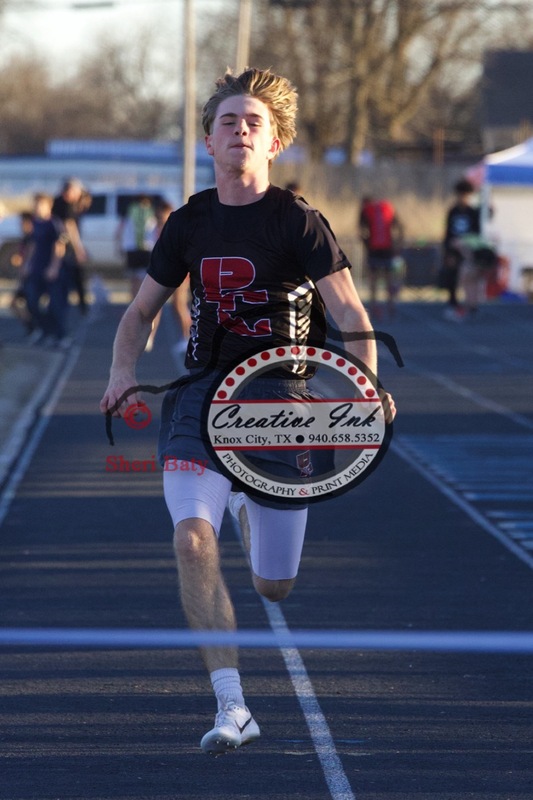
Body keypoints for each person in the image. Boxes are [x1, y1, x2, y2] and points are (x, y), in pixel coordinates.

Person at [100, 67, 396, 756]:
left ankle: (243, 502)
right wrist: (120, 370)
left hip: (281, 403)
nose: (240, 130)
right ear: (208, 140)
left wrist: (362, 386)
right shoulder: (189, 221)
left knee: (274, 585)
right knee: (190, 540)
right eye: (228, 121)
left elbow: (350, 313)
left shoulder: (296, 220)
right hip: (201, 398)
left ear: (275, 142)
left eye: (253, 122)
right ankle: (232, 706)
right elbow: (141, 311)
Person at [22, 193, 68, 346]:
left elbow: (59, 246)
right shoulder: (35, 223)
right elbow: (32, 245)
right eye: (36, 205)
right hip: (36, 268)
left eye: (40, 205)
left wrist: (54, 267)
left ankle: (60, 335)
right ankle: (44, 330)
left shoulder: (54, 223)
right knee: (32, 301)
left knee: (55, 304)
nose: (37, 208)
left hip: (50, 270)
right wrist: (27, 264)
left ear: (48, 206)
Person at [440, 177, 480, 320]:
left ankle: (471, 305)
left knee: (469, 277)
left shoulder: (473, 212)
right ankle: (453, 303)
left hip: (468, 249)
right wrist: (448, 249)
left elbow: (477, 232)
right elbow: (448, 231)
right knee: (452, 275)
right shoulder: (453, 211)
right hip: (454, 249)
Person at [358, 195, 403, 319]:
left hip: (373, 249)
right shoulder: (387, 208)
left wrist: (366, 244)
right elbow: (399, 226)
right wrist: (397, 244)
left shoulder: (365, 210)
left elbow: (361, 230)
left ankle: (374, 308)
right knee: (389, 279)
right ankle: (391, 307)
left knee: (373, 280)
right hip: (388, 249)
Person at [52, 178, 89, 316]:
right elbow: (70, 227)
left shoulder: (59, 201)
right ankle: (72, 308)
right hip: (64, 247)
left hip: (63, 245)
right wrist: (79, 249)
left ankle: (78, 306)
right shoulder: (65, 205)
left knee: (74, 276)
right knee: (70, 276)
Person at [118, 194, 157, 300]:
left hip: (131, 249)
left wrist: (119, 247)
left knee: (134, 279)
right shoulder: (151, 213)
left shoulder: (129, 212)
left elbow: (119, 231)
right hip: (146, 249)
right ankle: (141, 301)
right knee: (144, 279)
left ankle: (134, 301)